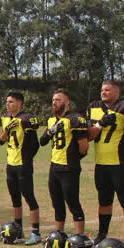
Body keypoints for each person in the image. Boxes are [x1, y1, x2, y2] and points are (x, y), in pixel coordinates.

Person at [86, 80, 124, 248]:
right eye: (102, 89)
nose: (103, 92)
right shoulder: (93, 106)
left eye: (107, 90)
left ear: (117, 91)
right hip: (101, 163)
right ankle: (102, 235)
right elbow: (88, 135)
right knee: (104, 200)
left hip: (121, 162)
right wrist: (100, 124)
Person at [40, 89, 88, 234]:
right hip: (54, 167)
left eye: (58, 100)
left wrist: (72, 159)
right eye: (53, 100)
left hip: (69, 168)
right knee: (57, 204)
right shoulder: (51, 120)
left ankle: (80, 237)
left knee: (72, 202)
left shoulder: (75, 119)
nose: (54, 102)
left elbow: (84, 147)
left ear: (67, 102)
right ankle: (59, 235)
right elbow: (42, 141)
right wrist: (50, 131)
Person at [0, 92, 41, 245]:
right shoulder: (6, 118)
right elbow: (0, 141)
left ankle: (36, 232)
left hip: (23, 164)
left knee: (29, 197)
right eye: (7, 101)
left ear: (19, 104)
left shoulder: (26, 118)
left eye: (11, 102)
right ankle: (18, 229)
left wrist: (27, 159)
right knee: (15, 198)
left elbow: (35, 139)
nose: (7, 104)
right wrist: (7, 129)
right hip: (11, 164)